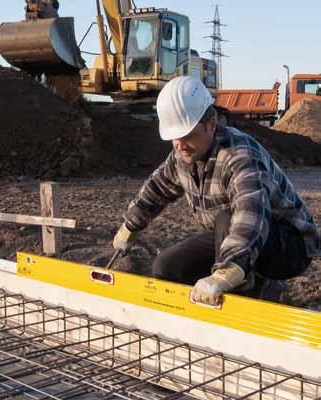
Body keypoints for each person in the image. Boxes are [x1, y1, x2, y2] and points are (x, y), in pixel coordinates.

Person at [113, 76, 320, 306]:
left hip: (288, 246)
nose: (180, 144)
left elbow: (249, 213)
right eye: (175, 137)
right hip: (234, 235)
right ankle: (256, 283)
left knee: (227, 218)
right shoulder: (182, 156)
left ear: (211, 124)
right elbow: (156, 189)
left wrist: (226, 271)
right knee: (167, 267)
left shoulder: (240, 155)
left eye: (188, 134)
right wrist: (130, 227)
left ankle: (250, 292)